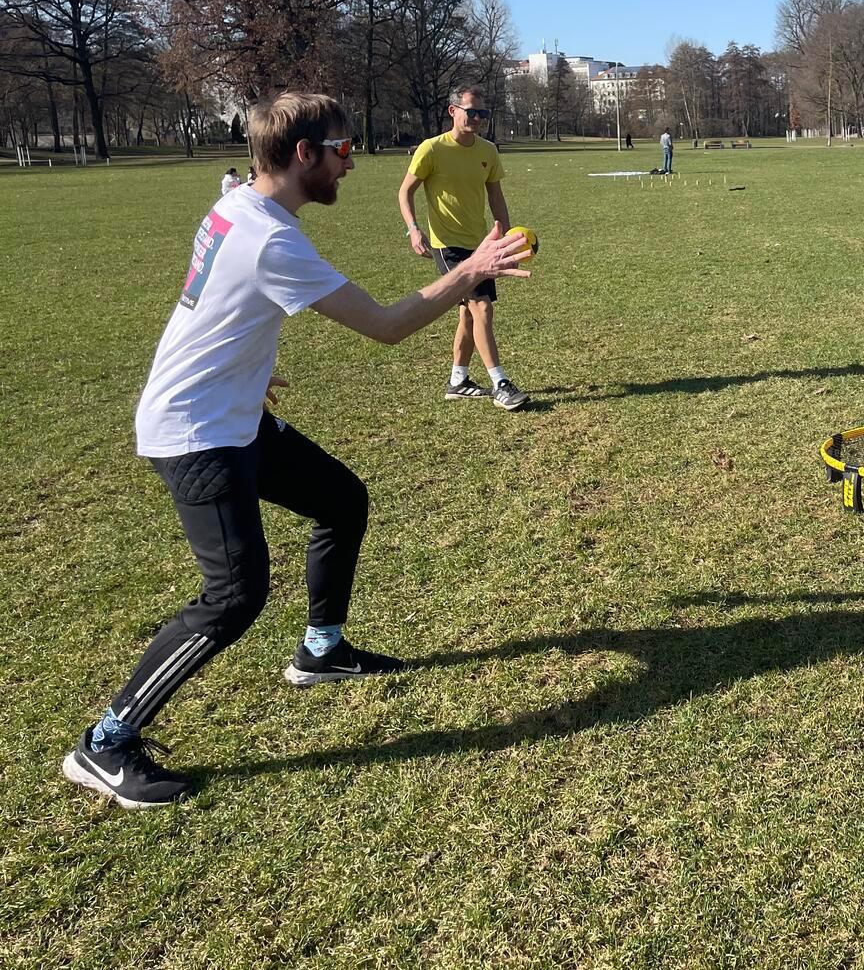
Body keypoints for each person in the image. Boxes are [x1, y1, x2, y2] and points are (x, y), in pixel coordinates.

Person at [61, 93, 532, 811]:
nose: (352, 165)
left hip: (234, 411)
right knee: (235, 596)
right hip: (197, 432)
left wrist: (244, 367)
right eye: (343, 151)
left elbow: (215, 304)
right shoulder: (271, 239)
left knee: (341, 500)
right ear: (304, 154)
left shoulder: (240, 205)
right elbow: (384, 324)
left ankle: (321, 649)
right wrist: (469, 271)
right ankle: (104, 742)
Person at [397, 86, 529, 410]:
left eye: (482, 113)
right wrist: (414, 230)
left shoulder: (488, 151)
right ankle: (500, 382)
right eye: (471, 111)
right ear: (452, 110)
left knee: (469, 317)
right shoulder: (431, 150)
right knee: (482, 307)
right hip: (447, 246)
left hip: (480, 245)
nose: (478, 119)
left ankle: (458, 380)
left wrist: (506, 237)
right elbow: (405, 193)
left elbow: (496, 197)